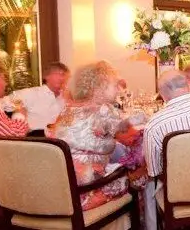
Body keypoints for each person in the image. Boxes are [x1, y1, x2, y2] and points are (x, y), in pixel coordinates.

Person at [47, 61, 146, 211]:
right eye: (115, 85)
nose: (119, 90)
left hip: (61, 187)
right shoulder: (104, 111)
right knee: (142, 170)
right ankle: (144, 218)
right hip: (85, 191)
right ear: (101, 87)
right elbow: (131, 137)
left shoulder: (68, 110)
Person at [2, 62, 69, 136]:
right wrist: (19, 109)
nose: (62, 78)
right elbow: (4, 102)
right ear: (46, 76)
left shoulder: (66, 97)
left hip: (60, 137)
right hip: (36, 137)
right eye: (58, 74)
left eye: (64, 75)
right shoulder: (32, 93)